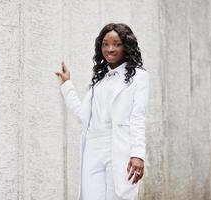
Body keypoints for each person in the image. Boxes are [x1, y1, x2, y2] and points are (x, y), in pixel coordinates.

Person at [55, 23, 150, 200]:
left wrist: (138, 154)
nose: (110, 49)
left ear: (126, 46)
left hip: (119, 147)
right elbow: (83, 116)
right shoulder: (99, 80)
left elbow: (138, 117)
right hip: (93, 148)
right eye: (105, 44)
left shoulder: (139, 77)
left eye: (116, 44)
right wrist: (67, 85)